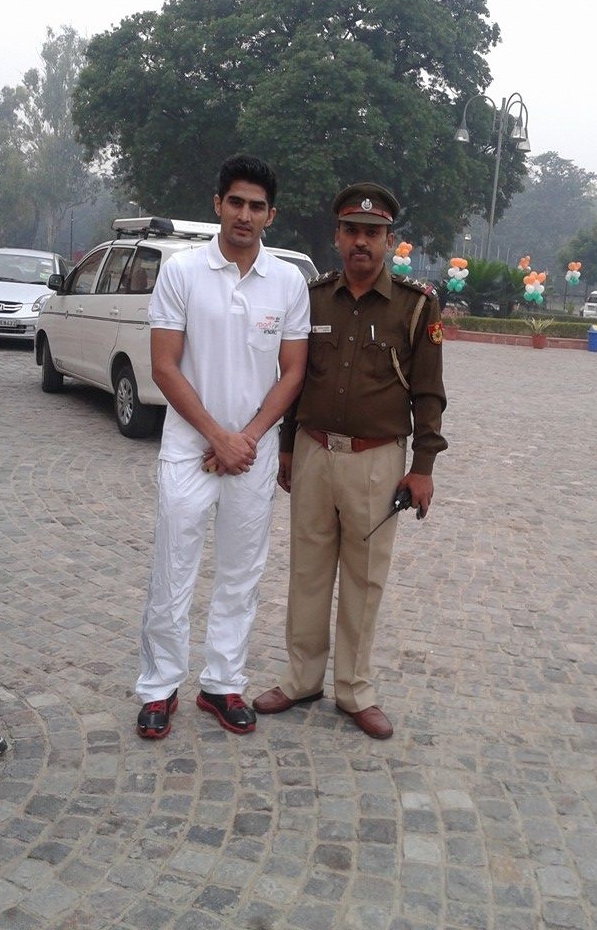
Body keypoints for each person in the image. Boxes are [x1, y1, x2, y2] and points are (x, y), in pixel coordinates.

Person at [253, 182, 447, 739]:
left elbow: (429, 393)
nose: (361, 242)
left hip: (376, 461)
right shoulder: (311, 298)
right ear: (337, 236)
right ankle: (300, 679)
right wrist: (288, 446)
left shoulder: (415, 307)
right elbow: (295, 378)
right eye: (352, 231)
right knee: (308, 571)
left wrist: (424, 465)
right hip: (314, 450)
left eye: (373, 233)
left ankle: (355, 690)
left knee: (364, 579)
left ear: (390, 240)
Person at [135, 154, 310, 739]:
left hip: (253, 451)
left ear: (270, 215)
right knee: (173, 565)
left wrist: (247, 439)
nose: (244, 214)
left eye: (256, 206)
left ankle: (221, 683)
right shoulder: (182, 272)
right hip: (190, 444)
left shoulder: (287, 282)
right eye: (235, 201)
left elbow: (292, 372)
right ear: (217, 204)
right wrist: (216, 436)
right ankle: (159, 688)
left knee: (240, 572)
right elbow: (164, 365)